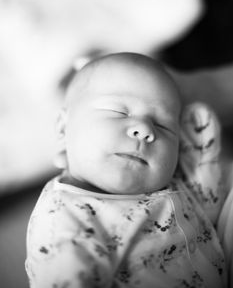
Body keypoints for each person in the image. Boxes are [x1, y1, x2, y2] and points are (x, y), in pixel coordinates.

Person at [25, 52, 227, 288]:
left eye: (163, 124)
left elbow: (212, 203)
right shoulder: (64, 219)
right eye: (119, 112)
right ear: (63, 128)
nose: (145, 129)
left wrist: (198, 141)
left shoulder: (175, 183)